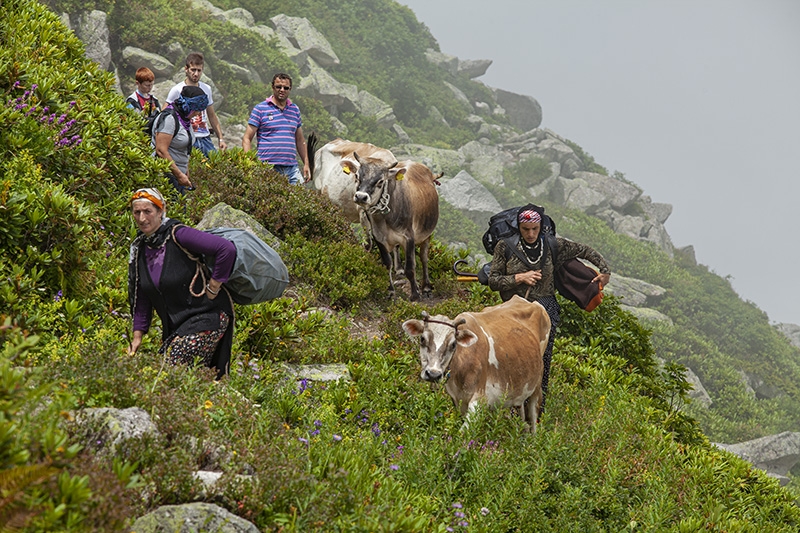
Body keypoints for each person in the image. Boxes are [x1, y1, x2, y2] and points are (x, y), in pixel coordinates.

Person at [488, 206, 611, 416]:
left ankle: (536, 410)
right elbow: (493, 280)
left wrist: (605, 271)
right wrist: (519, 278)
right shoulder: (505, 247)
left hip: (546, 308)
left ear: (541, 226)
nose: (530, 234)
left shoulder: (553, 245)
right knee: (510, 356)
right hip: (513, 310)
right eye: (526, 229)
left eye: (535, 229)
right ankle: (509, 404)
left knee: (541, 361)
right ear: (519, 227)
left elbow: (584, 250)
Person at [127, 188, 236, 378]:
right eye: (137, 212)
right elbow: (142, 298)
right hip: (178, 327)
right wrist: (137, 337)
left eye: (148, 211)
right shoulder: (140, 250)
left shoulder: (179, 235)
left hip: (208, 315)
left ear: (161, 212)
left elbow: (226, 250)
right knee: (181, 375)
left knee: (170, 367)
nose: (142, 218)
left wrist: (213, 287)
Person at [242, 73, 310, 185]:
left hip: (292, 168)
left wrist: (306, 164)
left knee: (299, 199)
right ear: (272, 87)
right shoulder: (260, 109)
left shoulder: (295, 110)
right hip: (268, 167)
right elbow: (246, 138)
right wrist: (249, 163)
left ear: (290, 89)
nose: (282, 90)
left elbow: (300, 140)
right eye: (278, 87)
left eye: (286, 88)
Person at [164, 52, 227, 156]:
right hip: (187, 137)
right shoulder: (177, 90)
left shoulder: (207, 89)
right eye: (193, 70)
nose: (196, 74)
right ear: (186, 69)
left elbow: (211, 115)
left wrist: (221, 139)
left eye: (199, 70)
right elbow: (165, 113)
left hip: (205, 138)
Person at [153, 85, 208, 194]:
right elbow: (161, 150)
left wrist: (185, 170)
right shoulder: (169, 118)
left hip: (179, 176)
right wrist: (179, 175)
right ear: (189, 106)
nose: (198, 113)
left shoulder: (185, 120)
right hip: (166, 175)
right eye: (197, 110)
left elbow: (184, 148)